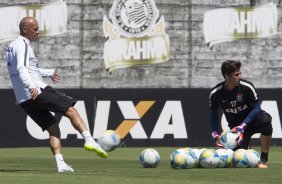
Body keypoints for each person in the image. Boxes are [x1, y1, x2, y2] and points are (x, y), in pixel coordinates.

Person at [5, 17, 108, 172]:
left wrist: (49, 72)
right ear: (24, 29)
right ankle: (89, 140)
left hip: (24, 99)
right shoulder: (23, 45)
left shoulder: (11, 47)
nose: (37, 32)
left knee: (53, 128)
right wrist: (32, 86)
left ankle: (61, 164)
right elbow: (21, 69)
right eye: (34, 29)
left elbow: (29, 70)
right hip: (36, 90)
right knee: (72, 110)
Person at [209, 60, 272, 168]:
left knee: (266, 122)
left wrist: (243, 125)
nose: (239, 76)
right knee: (236, 159)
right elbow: (213, 113)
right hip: (235, 128)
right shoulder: (215, 93)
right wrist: (215, 133)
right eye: (236, 74)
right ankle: (246, 149)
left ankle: (263, 159)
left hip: (252, 120)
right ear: (227, 76)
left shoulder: (247, 87)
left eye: (240, 73)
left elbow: (257, 108)